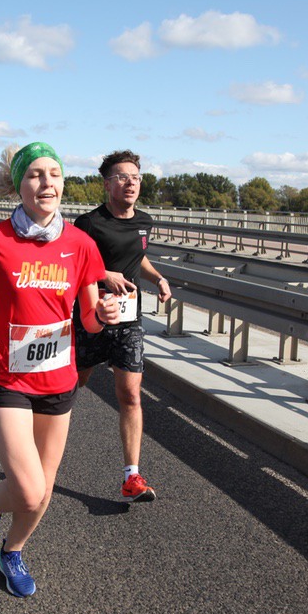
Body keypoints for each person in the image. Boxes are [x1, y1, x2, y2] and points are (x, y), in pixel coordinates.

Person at [0, 142, 119, 597]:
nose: (47, 183)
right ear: (19, 185)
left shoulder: (81, 244)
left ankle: (13, 551)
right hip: (6, 375)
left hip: (58, 378)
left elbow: (87, 318)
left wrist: (104, 315)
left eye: (54, 174)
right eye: (36, 174)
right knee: (26, 488)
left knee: (43, 490)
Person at [73, 150, 171, 503]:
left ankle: (132, 476)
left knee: (130, 394)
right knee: (72, 385)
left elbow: (137, 257)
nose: (131, 183)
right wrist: (104, 275)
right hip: (92, 317)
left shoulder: (144, 222)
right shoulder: (89, 223)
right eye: (123, 177)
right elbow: (72, 262)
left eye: (136, 177)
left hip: (129, 321)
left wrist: (158, 278)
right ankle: (38, 438)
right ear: (107, 183)